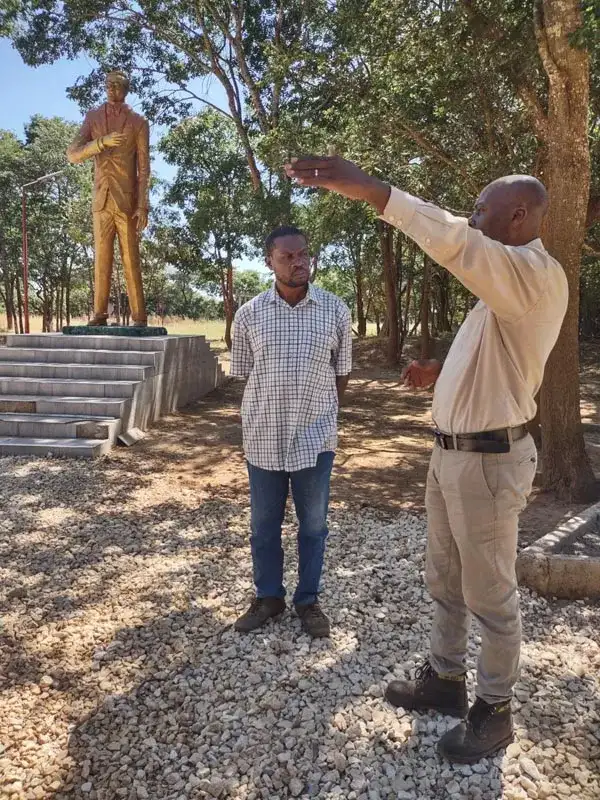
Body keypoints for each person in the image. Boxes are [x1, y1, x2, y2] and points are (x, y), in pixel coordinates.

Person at [284, 157, 567, 762]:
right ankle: (443, 682)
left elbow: (456, 243)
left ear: (518, 215)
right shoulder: (503, 287)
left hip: (488, 463)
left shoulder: (531, 273)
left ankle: (494, 713)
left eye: (483, 209)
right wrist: (443, 372)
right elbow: (501, 357)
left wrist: (373, 189)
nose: (473, 217)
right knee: (444, 578)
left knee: (490, 593)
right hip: (453, 457)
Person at [230, 225, 352, 638]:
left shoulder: (335, 310)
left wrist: (324, 416)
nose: (299, 263)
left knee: (314, 525)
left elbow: (342, 374)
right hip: (263, 439)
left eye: (304, 255)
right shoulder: (248, 314)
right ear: (269, 261)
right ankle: (268, 597)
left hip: (314, 440)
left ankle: (308, 600)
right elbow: (244, 376)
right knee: (263, 525)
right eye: (288, 257)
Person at [67, 70, 150, 327]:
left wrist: (143, 205)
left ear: (127, 89)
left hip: (126, 200)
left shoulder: (138, 121)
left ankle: (139, 316)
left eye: (118, 85)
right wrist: (100, 142)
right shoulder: (92, 117)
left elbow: (144, 168)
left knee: (130, 258)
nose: (113, 88)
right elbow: (73, 154)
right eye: (109, 85)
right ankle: (99, 313)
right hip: (101, 200)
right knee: (101, 259)